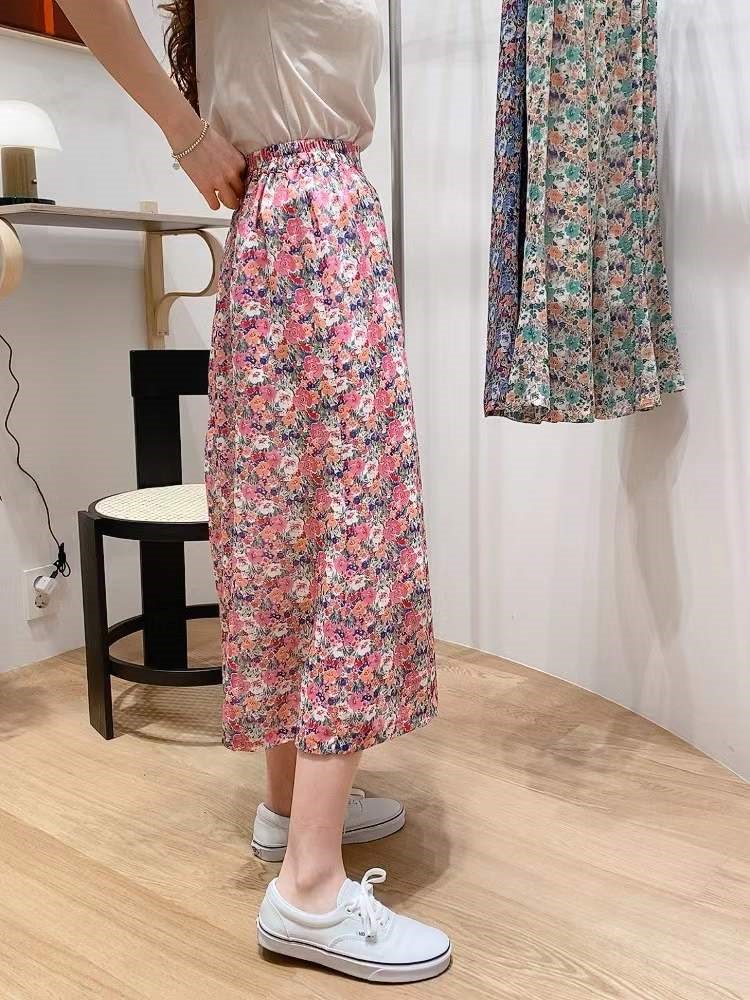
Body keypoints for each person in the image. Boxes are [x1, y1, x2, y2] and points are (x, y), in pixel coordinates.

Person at [58, 0, 450, 983]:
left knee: (292, 527)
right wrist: (186, 132)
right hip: (312, 230)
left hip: (295, 224)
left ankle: (288, 809)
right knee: (353, 530)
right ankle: (311, 890)